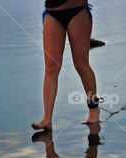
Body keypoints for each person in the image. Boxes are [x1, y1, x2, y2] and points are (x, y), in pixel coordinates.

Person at [32, 1, 101, 135]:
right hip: (52, 12)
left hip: (77, 10)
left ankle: (93, 109)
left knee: (81, 64)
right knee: (51, 68)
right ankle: (47, 118)